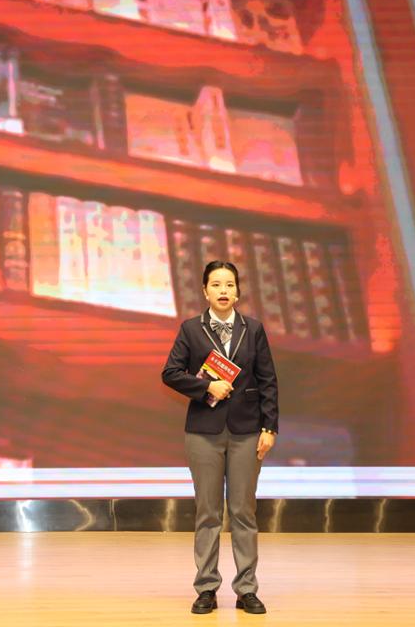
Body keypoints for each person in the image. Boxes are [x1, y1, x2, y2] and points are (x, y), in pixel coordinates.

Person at [161, 260, 279, 615]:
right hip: (203, 432)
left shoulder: (253, 329)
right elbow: (170, 373)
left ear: (238, 291)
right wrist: (206, 387)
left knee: (243, 512)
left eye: (229, 284)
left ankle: (246, 589)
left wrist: (269, 427)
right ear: (205, 291)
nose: (223, 290)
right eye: (216, 284)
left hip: (247, 431)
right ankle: (207, 588)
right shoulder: (191, 329)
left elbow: (268, 381)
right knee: (208, 512)